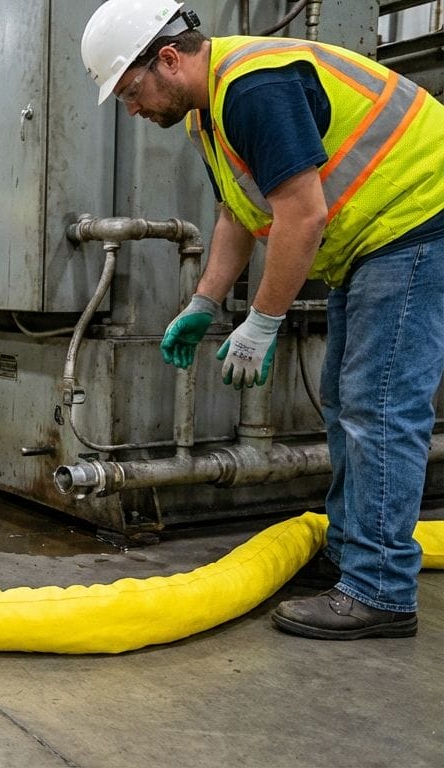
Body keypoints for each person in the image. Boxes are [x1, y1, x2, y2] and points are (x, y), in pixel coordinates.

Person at [82, 0, 444, 640]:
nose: (132, 109)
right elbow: (239, 215)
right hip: (379, 237)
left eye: (131, 91)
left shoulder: (253, 85)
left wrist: (264, 321)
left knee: (379, 406)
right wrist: (204, 301)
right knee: (345, 401)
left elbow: (302, 216)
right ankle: (354, 558)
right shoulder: (209, 113)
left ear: (167, 58)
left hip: (419, 219)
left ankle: (380, 589)